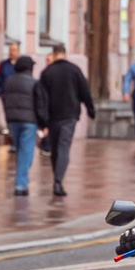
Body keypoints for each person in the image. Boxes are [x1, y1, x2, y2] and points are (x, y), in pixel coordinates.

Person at [38, 45, 95, 198]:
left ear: (54, 54)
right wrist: (90, 109)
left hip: (52, 117)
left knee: (54, 148)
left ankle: (57, 178)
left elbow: (41, 98)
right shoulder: (74, 70)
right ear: (65, 54)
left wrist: (41, 120)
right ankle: (58, 181)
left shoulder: (47, 72)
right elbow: (84, 91)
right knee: (63, 147)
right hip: (69, 116)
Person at [0, 54, 42, 195]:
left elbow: (5, 100)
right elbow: (39, 104)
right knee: (26, 153)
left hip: (13, 121)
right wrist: (42, 122)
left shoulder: (9, 81)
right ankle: (20, 184)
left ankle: (22, 181)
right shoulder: (33, 83)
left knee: (19, 151)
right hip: (29, 122)